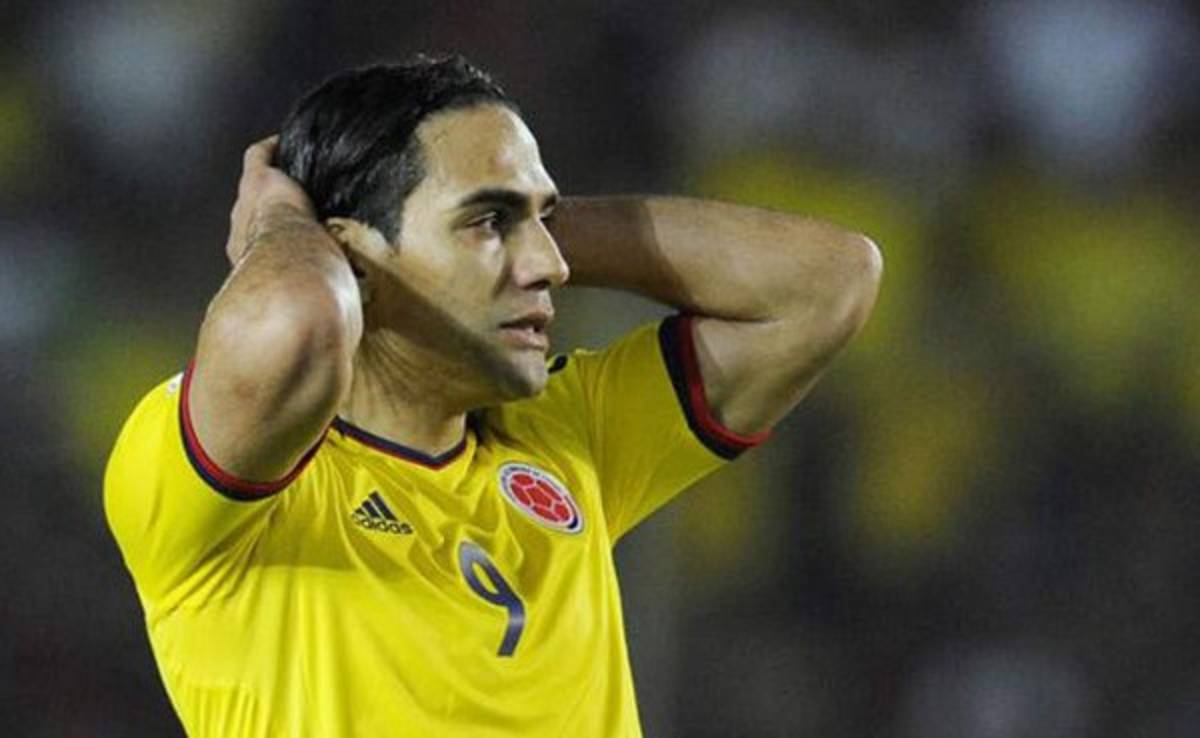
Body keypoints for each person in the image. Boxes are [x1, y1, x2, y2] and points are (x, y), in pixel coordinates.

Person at [104, 54, 881, 738]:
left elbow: (830, 282)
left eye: (544, 220)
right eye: (488, 220)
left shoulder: (569, 437)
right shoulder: (219, 494)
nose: (553, 266)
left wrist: (517, 231)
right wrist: (276, 217)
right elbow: (297, 317)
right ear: (353, 262)